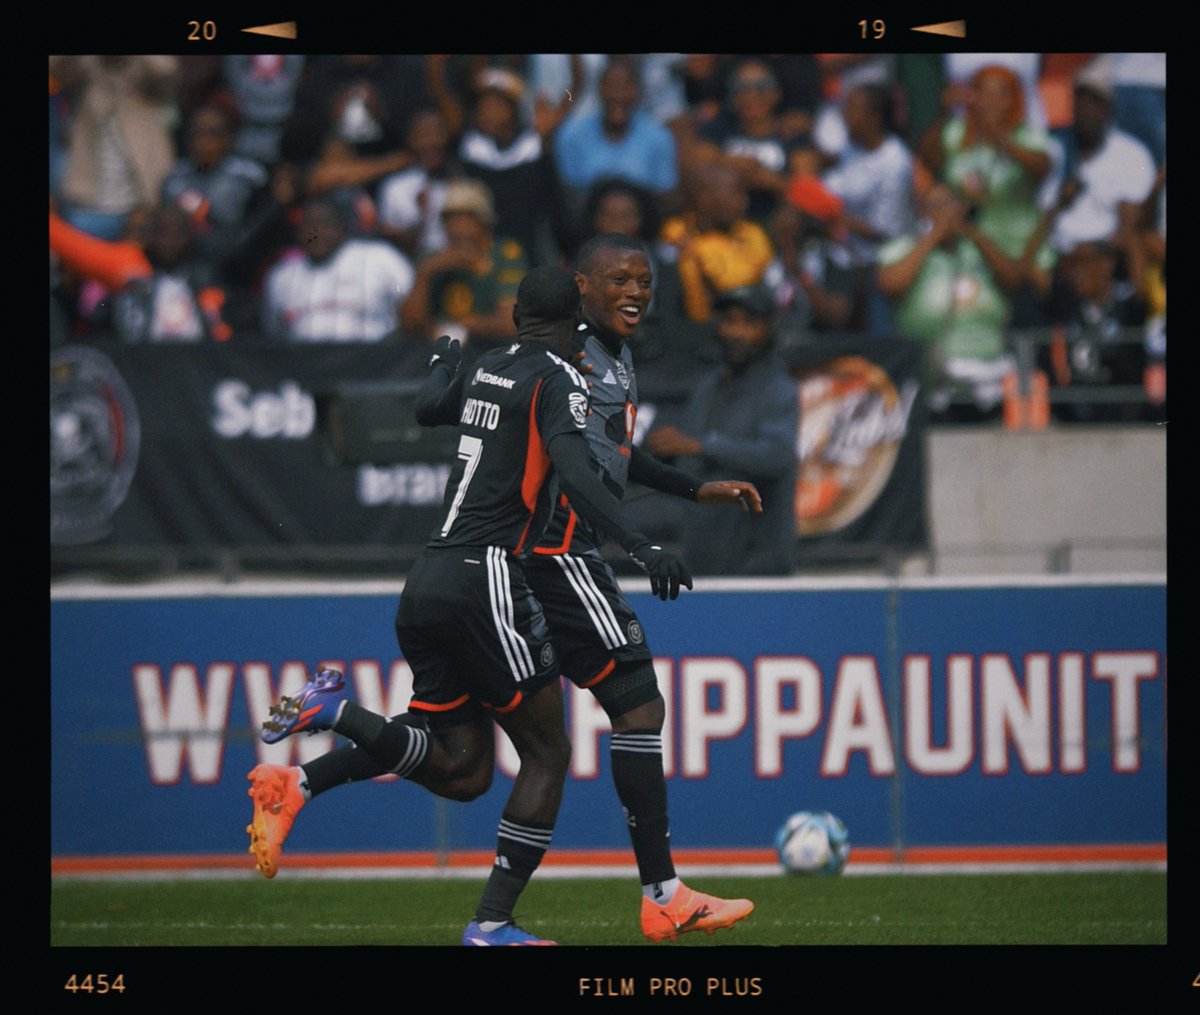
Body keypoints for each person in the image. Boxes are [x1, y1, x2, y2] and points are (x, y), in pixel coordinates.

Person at [247, 238, 760, 944]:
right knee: (621, 712)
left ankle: (304, 778)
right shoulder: (568, 369)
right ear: (581, 294)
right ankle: (647, 895)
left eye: (644, 280)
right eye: (619, 280)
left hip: (446, 567)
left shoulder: (512, 359)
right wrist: (640, 542)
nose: (635, 291)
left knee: (462, 763)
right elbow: (582, 465)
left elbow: (498, 423)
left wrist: (693, 487)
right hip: (545, 555)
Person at [643, 284, 799, 575]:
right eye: (729, 321)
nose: (737, 333)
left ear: (769, 327)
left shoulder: (779, 389)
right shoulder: (708, 387)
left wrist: (702, 446)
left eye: (749, 323)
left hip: (758, 562)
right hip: (704, 557)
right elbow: (688, 462)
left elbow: (777, 455)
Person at [260, 194, 414, 342]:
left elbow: (413, 305)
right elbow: (274, 333)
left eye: (324, 224)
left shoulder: (380, 258)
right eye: (309, 225)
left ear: (341, 227)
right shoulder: (281, 276)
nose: (316, 233)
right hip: (305, 365)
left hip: (372, 362)